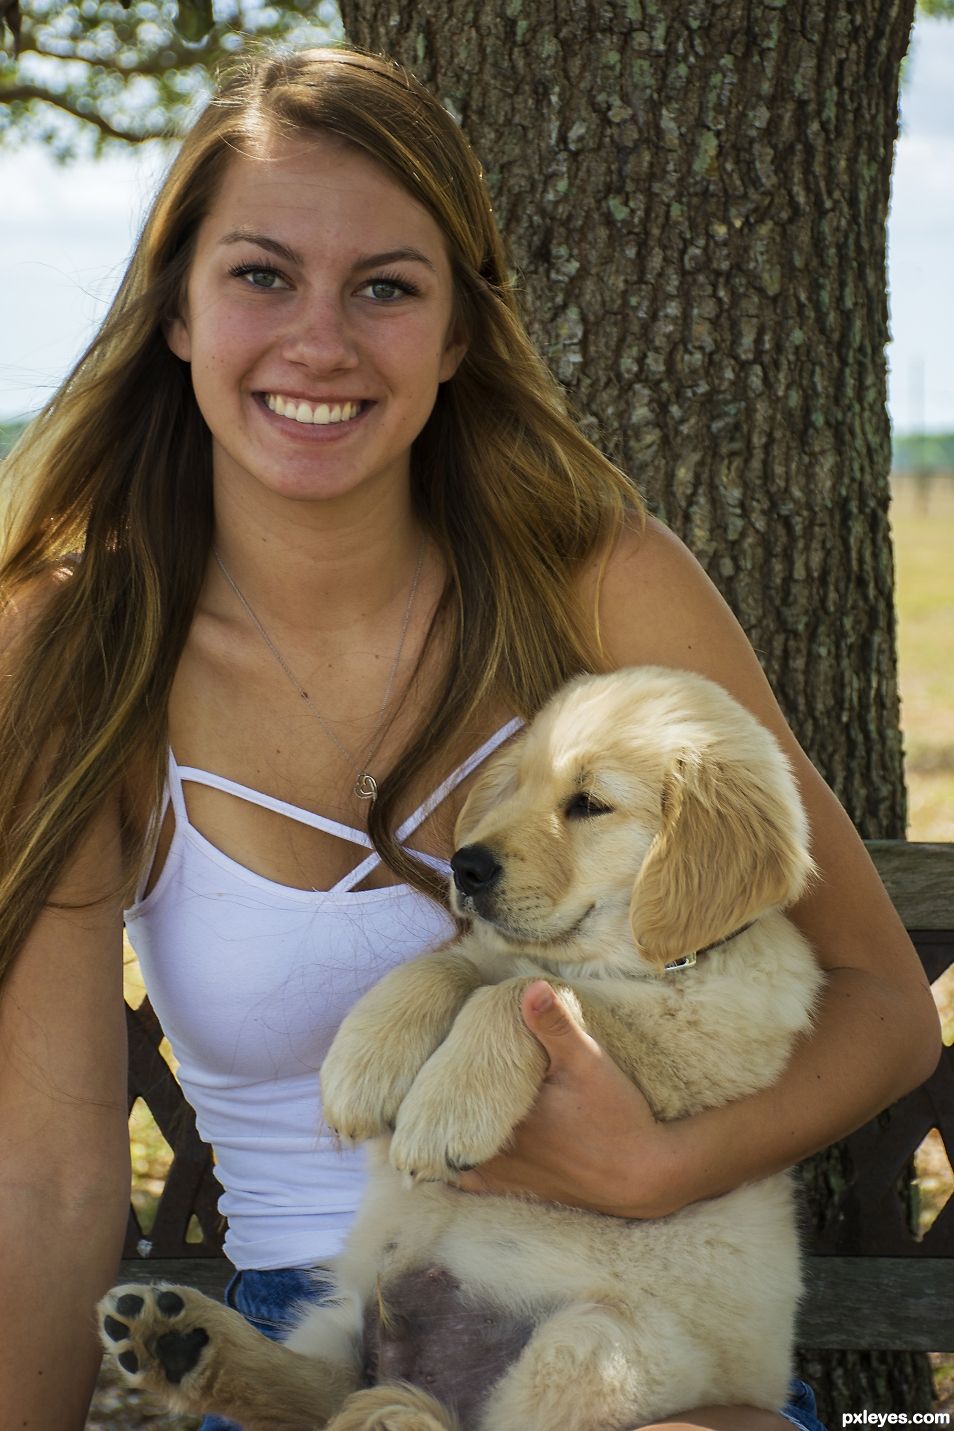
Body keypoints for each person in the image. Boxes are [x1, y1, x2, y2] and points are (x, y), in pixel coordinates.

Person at [0, 46, 940, 1431]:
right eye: (262, 274)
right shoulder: (79, 647)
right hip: (312, 1347)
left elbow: (877, 1003)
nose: (320, 339)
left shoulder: (599, 584)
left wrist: (650, 1173)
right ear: (178, 312)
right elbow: (51, 1177)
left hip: (632, 1320)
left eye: (385, 287)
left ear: (453, 338)